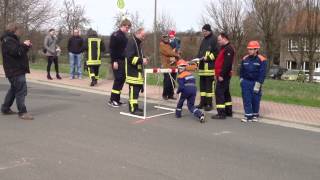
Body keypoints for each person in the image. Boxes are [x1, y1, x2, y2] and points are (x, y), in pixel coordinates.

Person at [1, 23, 34, 120]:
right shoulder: (8, 40)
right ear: (14, 30)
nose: (20, 32)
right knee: (21, 90)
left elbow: (20, 52)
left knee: (14, 89)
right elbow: (17, 52)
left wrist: (26, 46)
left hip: (16, 69)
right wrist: (24, 45)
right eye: (19, 30)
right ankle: (22, 112)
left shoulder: (12, 40)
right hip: (14, 70)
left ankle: (5, 108)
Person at [240, 41, 267, 122]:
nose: (249, 51)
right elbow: (241, 70)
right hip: (246, 82)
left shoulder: (262, 59)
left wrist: (259, 83)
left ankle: (255, 115)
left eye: (251, 49)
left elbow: (262, 73)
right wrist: (241, 80)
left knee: (256, 99)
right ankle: (248, 115)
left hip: (256, 82)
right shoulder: (245, 58)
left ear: (256, 49)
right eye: (249, 49)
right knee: (246, 99)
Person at [108, 19, 131, 107]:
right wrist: (114, 61)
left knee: (121, 80)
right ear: (122, 25)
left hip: (123, 61)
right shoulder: (116, 35)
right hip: (117, 61)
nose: (128, 29)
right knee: (118, 80)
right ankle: (112, 100)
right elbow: (112, 50)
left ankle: (117, 99)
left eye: (129, 27)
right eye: (126, 27)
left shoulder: (124, 36)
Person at [211, 33, 235, 119]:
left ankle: (221, 113)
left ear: (224, 39)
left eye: (219, 40)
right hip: (222, 75)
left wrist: (221, 75)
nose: (218, 42)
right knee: (226, 93)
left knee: (219, 92)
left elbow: (227, 64)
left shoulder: (228, 49)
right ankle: (228, 111)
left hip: (223, 75)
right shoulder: (224, 48)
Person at [125, 28, 148, 116]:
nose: (143, 37)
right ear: (138, 33)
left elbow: (139, 55)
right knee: (134, 90)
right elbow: (130, 57)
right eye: (142, 35)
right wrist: (142, 60)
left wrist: (144, 58)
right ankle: (132, 109)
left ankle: (135, 106)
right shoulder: (132, 42)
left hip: (137, 71)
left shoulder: (138, 43)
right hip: (132, 71)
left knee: (137, 90)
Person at [196, 24, 219, 111]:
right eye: (203, 31)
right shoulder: (203, 40)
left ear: (209, 31)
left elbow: (216, 53)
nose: (203, 33)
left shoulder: (214, 39)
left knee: (209, 88)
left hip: (209, 68)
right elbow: (200, 52)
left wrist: (208, 58)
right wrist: (197, 60)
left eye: (205, 31)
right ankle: (202, 103)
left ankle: (209, 104)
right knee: (202, 87)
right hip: (202, 68)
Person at [160, 33, 180, 100]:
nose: (166, 38)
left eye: (167, 37)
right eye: (164, 37)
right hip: (166, 66)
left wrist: (178, 52)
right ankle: (165, 94)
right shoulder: (162, 44)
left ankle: (171, 94)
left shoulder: (170, 44)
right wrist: (176, 55)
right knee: (167, 81)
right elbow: (168, 52)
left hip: (173, 65)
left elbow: (175, 51)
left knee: (173, 81)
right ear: (162, 38)